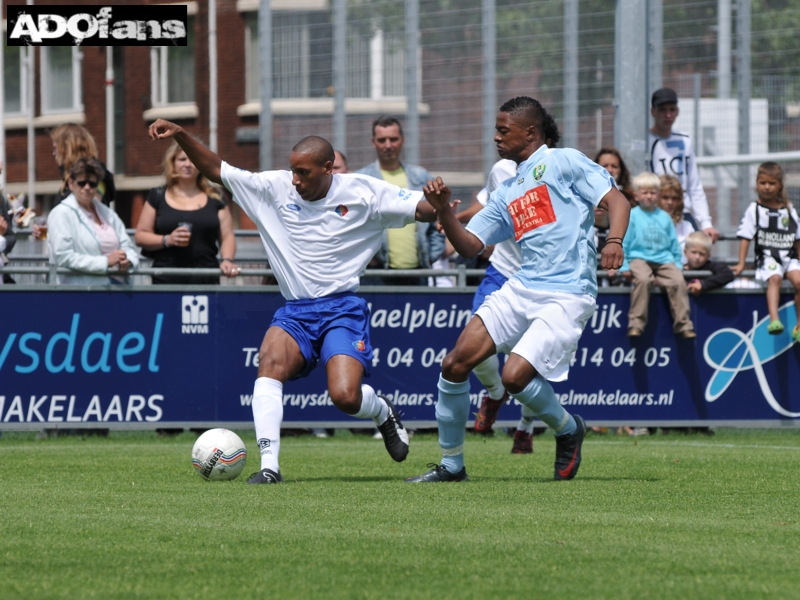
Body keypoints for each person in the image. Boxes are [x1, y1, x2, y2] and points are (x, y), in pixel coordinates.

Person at [148, 118, 440, 484]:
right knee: (268, 361)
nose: (295, 180)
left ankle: (382, 412)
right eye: (292, 171)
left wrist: (440, 207)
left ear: (328, 168)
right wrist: (180, 135)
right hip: (296, 311)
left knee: (345, 397)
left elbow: (421, 208)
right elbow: (216, 169)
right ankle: (269, 467)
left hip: (341, 309)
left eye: (303, 172)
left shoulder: (364, 191)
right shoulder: (274, 187)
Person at [405, 96, 630, 483]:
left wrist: (614, 241)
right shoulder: (508, 188)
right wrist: (443, 210)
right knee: (455, 364)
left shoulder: (563, 160)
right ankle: (451, 466)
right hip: (522, 286)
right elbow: (471, 245)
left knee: (513, 377)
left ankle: (566, 428)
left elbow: (617, 200)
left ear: (530, 131)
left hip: (567, 292)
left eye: (503, 130)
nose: (495, 137)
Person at [464, 111, 562, 454]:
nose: (498, 138)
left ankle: (525, 427)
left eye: (505, 131)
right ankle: (493, 394)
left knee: (526, 362)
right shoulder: (502, 171)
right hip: (503, 272)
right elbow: (488, 210)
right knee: (473, 353)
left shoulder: (564, 172)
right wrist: (450, 221)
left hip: (544, 282)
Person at [135, 141, 240, 284]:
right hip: (165, 280)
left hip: (206, 279)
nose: (188, 164)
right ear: (173, 162)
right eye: (182, 159)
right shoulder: (157, 195)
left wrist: (227, 260)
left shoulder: (216, 196)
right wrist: (167, 240)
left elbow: (227, 236)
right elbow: (140, 235)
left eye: (193, 159)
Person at [356, 116, 444, 286]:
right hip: (376, 273)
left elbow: (438, 221)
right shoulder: (362, 180)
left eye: (393, 139)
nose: (388, 145)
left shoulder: (421, 177)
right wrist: (369, 257)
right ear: (373, 142)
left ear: (402, 140)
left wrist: (432, 254)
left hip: (419, 271)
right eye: (382, 140)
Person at [611, 172, 695, 339]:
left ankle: (684, 325)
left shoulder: (664, 217)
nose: (649, 196)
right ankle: (636, 324)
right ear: (636, 195)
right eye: (644, 192)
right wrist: (624, 265)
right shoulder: (633, 215)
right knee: (643, 279)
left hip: (664, 258)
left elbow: (673, 244)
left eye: (653, 192)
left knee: (678, 281)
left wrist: (678, 264)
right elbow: (624, 242)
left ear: (658, 194)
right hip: (638, 257)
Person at [733, 162, 800, 340]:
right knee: (775, 278)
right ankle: (774, 320)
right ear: (757, 184)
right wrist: (741, 263)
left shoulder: (788, 209)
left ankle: (799, 326)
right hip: (768, 258)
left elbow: (797, 237)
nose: (767, 187)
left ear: (779, 186)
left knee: (799, 282)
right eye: (763, 183)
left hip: (789, 257)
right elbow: (745, 237)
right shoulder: (754, 209)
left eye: (772, 183)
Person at [48, 157, 139, 285]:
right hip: (83, 292)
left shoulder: (108, 213)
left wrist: (128, 261)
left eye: (92, 183)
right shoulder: (61, 213)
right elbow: (64, 256)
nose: (87, 187)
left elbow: (128, 247)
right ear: (70, 183)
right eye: (82, 183)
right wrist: (105, 262)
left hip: (120, 288)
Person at [647, 88, 719, 242]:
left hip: (682, 213)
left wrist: (706, 223)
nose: (668, 115)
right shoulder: (644, 141)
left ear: (677, 111)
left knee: (697, 252)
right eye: (662, 110)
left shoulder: (685, 140)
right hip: (653, 212)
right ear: (652, 111)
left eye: (672, 110)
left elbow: (694, 185)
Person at [51, 123, 116, 207]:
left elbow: (93, 212)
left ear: (67, 148)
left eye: (56, 148)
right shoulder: (73, 175)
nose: (53, 153)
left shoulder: (91, 174)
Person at [658, 175, 696, 263]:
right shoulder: (646, 223)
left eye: (674, 198)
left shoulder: (687, 226)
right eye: (665, 197)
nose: (670, 202)